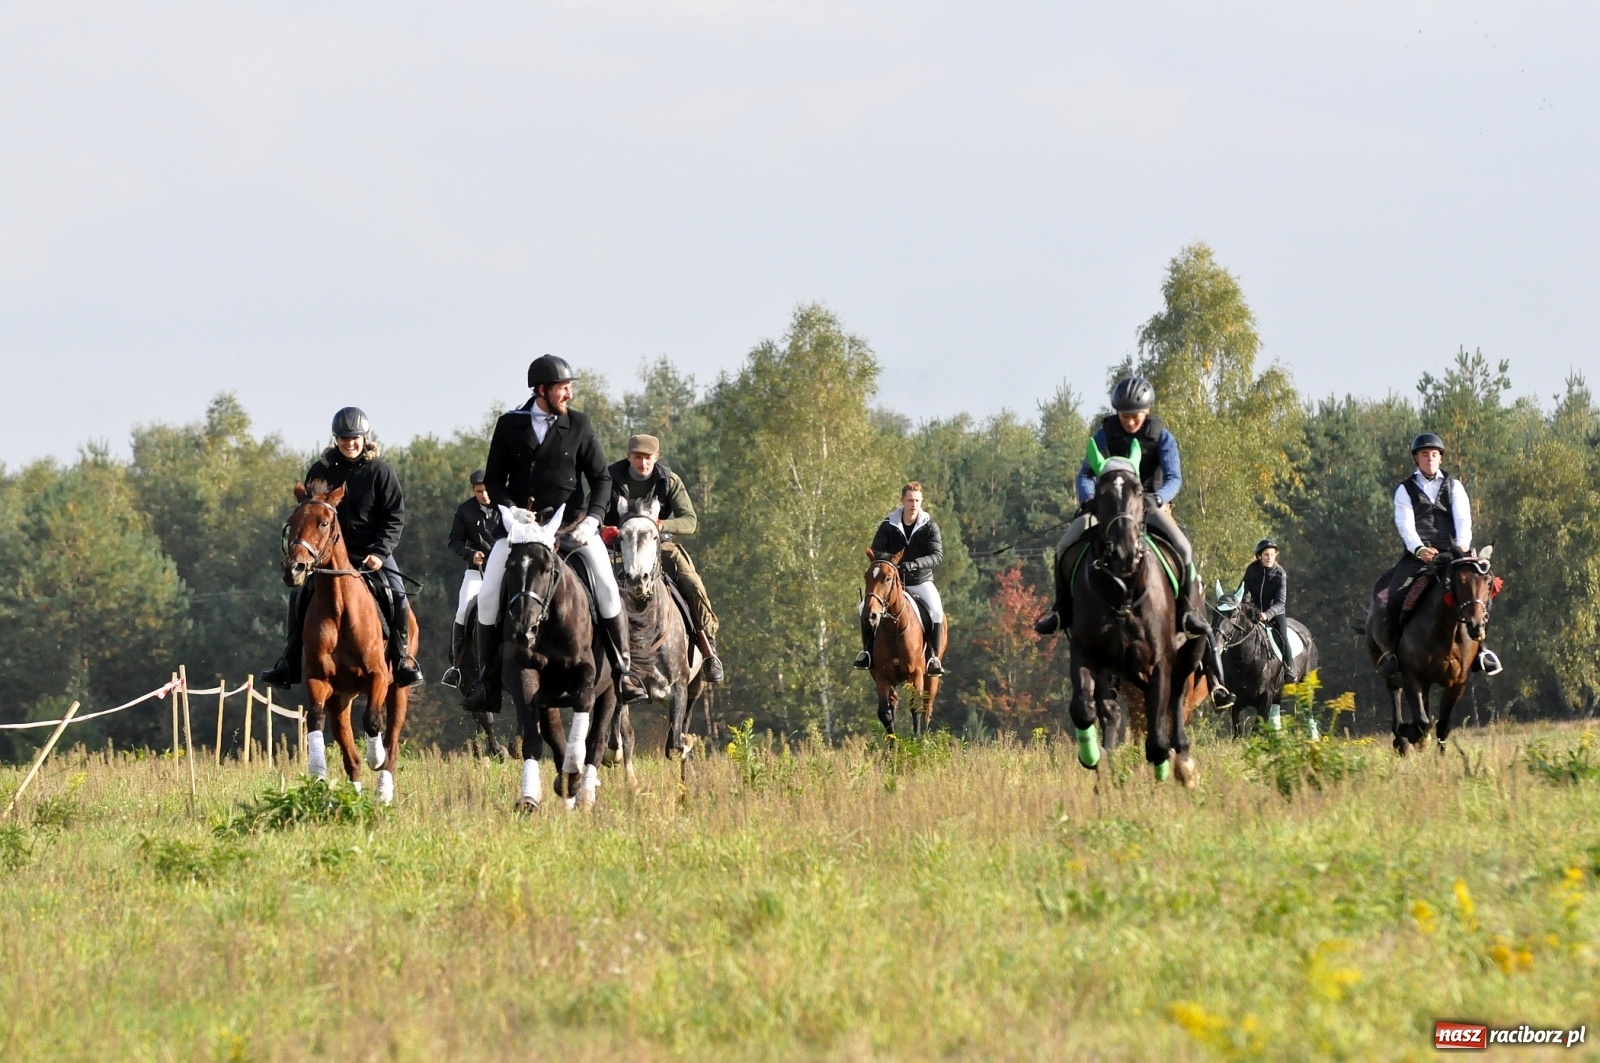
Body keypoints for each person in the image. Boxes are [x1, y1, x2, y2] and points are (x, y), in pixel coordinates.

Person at [1032, 376, 1232, 706]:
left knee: (1183, 548)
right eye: (1124, 415)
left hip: (1150, 508)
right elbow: (1085, 473)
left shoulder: (1161, 437)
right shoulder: (1105, 435)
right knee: (1064, 546)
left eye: (1135, 415)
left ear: (1146, 411)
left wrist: (1159, 497)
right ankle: (1061, 611)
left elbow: (1174, 477)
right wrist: (1089, 498)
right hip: (1110, 511)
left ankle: (1186, 612)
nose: (1130, 421)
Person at [468, 354, 647, 709]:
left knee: (607, 585)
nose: (569, 394)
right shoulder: (509, 425)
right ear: (541, 390)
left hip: (570, 525)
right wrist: (510, 510)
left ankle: (624, 672)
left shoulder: (578, 424)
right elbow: (494, 480)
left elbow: (601, 479)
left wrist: (593, 519)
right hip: (522, 529)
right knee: (487, 593)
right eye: (563, 388)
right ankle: (486, 680)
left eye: (568, 388)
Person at [261, 406, 422, 689]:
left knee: (397, 596)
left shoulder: (380, 471)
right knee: (298, 598)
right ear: (336, 439)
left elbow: (394, 517)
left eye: (354, 438)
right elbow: (309, 514)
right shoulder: (321, 471)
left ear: (364, 437)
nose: (350, 443)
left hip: (371, 554)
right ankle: (289, 662)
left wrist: (380, 552)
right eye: (344, 438)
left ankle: (402, 661)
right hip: (327, 557)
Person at [603, 433, 725, 683]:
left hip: (658, 546)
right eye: (638, 457)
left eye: (648, 458)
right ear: (628, 457)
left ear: (656, 457)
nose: (643, 463)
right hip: (617, 547)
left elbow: (690, 521)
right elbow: (589, 512)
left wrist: (661, 525)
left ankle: (708, 647)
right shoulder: (608, 479)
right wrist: (603, 529)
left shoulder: (670, 481)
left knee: (690, 580)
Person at [1379, 433, 1502, 676]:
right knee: (1395, 596)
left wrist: (1462, 548)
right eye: (1425, 454)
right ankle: (1394, 654)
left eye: (1434, 454)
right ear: (1416, 458)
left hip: (1453, 553)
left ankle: (1481, 650)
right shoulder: (1404, 490)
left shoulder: (1454, 486)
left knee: (1480, 592)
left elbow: (1463, 520)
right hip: (1418, 556)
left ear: (1440, 458)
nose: (1430, 458)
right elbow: (1405, 524)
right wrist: (1420, 549)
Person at [855, 481, 945, 676]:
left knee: (937, 612)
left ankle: (933, 658)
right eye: (910, 500)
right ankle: (867, 653)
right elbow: (877, 552)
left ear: (921, 501)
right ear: (902, 501)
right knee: (863, 608)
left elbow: (937, 555)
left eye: (917, 501)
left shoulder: (930, 527)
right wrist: (891, 564)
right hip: (892, 584)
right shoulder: (888, 525)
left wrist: (915, 564)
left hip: (920, 581)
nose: (914, 504)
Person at [440, 469, 505, 688]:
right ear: (473, 491)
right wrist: (470, 554)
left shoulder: (506, 508)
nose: (484, 496)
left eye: (487, 491)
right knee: (463, 610)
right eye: (479, 492)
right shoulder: (464, 510)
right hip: (476, 572)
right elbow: (454, 540)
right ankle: (456, 666)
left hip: (504, 571)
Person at [1239, 538, 1291, 663]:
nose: (1269, 558)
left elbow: (1280, 602)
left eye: (1272, 555)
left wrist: (1267, 614)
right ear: (1259, 556)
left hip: (1275, 614)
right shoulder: (1252, 570)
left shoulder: (1280, 574)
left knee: (1283, 639)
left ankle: (1289, 668)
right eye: (1266, 555)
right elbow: (1242, 592)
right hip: (1254, 612)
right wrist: (1245, 607)